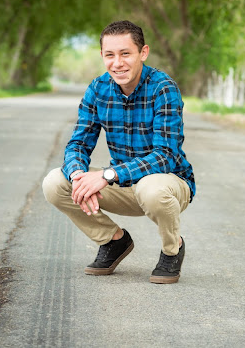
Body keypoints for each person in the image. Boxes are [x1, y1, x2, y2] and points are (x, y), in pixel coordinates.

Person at [42, 20, 196, 284]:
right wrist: (78, 175)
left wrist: (107, 174)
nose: (117, 63)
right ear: (102, 56)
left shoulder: (163, 88)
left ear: (143, 53)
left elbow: (165, 156)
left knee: (151, 188)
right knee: (55, 183)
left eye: (125, 53)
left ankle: (173, 249)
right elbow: (78, 144)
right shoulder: (98, 89)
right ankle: (113, 241)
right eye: (110, 55)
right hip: (123, 185)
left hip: (168, 186)